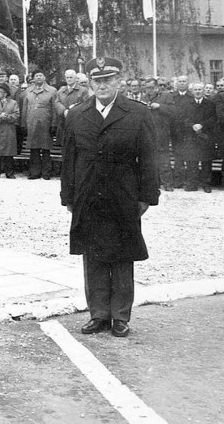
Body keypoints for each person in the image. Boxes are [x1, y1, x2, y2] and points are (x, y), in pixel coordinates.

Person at [60, 56, 159, 338]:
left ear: (118, 82)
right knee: (93, 255)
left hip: (123, 195)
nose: (101, 85)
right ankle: (98, 313)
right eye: (96, 81)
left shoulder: (137, 113)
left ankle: (120, 316)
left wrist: (147, 197)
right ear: (89, 83)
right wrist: (68, 195)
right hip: (88, 195)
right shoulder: (77, 114)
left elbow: (149, 159)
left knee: (122, 255)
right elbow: (69, 160)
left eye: (107, 80)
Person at [21, 69, 57, 180]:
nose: (38, 77)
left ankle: (46, 173)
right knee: (33, 149)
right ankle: (34, 172)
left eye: (40, 75)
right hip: (32, 123)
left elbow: (54, 109)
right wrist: (24, 124)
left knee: (46, 149)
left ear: (44, 77)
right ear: (33, 78)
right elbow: (25, 109)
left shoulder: (52, 91)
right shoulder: (28, 91)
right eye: (36, 76)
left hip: (46, 123)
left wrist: (54, 124)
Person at [182, 82, 217, 192]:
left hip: (205, 136)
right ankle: (192, 183)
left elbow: (213, 118)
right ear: (192, 91)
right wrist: (192, 125)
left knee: (206, 161)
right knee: (191, 161)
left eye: (200, 89)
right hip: (191, 136)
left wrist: (202, 125)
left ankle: (206, 184)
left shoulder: (210, 104)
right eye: (195, 90)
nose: (197, 91)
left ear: (203, 91)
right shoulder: (186, 104)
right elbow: (182, 118)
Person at [145, 75, 176, 192]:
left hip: (161, 133)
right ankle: (152, 184)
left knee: (164, 161)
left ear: (157, 87)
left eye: (152, 87)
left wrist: (160, 106)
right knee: (148, 161)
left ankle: (167, 183)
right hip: (147, 133)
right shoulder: (144, 97)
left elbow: (174, 112)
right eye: (147, 88)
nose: (150, 90)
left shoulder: (166, 96)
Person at [55, 69, 90, 147]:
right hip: (63, 122)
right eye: (67, 77)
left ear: (75, 78)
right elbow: (57, 102)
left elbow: (86, 104)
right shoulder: (61, 90)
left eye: (71, 77)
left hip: (77, 122)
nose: (69, 79)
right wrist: (64, 111)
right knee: (64, 147)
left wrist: (73, 110)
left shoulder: (83, 90)